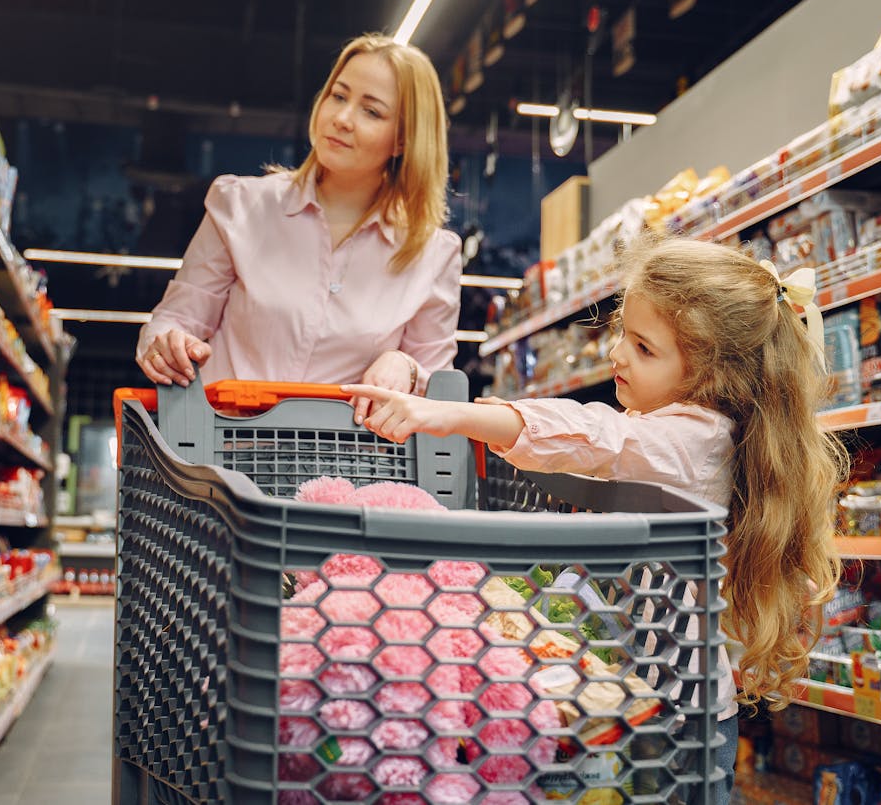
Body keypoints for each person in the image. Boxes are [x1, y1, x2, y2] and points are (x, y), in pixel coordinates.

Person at [345, 237, 848, 803]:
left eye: (644, 347)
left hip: (679, 725)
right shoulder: (683, 425)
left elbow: (596, 435)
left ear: (713, 375)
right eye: (621, 334)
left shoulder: (695, 439)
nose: (618, 355)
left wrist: (451, 416)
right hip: (649, 700)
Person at [137, 34, 462, 422]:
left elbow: (439, 394)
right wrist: (167, 344)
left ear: (404, 140)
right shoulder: (241, 206)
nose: (342, 118)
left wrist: (405, 367)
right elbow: (175, 319)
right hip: (220, 459)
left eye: (371, 112)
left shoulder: (432, 254)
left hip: (348, 472)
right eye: (338, 96)